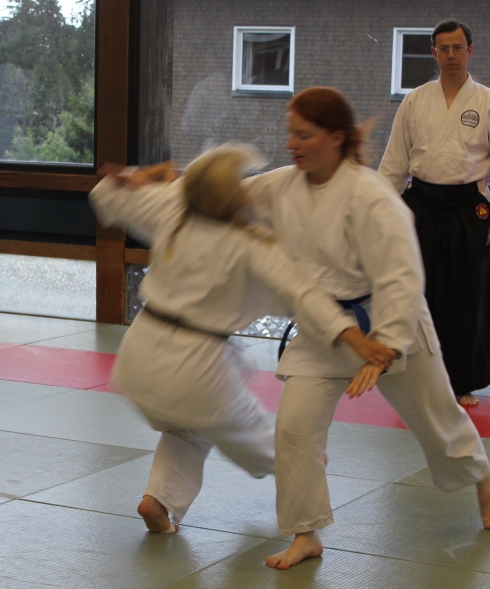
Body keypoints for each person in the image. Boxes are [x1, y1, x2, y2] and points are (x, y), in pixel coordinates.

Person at [244, 87, 490, 571]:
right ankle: (306, 533)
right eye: (291, 133)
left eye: (304, 135)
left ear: (335, 138)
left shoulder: (370, 195)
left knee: (438, 421)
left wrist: (382, 344)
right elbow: (226, 193)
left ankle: (482, 478)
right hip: (326, 327)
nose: (292, 143)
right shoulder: (283, 186)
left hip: (392, 320)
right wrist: (156, 186)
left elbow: (402, 275)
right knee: (295, 426)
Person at [89, 144, 394, 534]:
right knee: (269, 443)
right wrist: (356, 338)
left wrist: (145, 174)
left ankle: (158, 500)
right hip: (195, 369)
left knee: (186, 429)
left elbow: (104, 194)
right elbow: (305, 295)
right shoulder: (251, 244)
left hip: (138, 358)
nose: (247, 189)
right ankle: (306, 464)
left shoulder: (171, 209)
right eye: (240, 184)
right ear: (231, 197)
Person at [379, 19, 490, 406]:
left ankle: (461, 381)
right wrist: (380, 212)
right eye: (443, 49)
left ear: (470, 51)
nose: (451, 55)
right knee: (417, 293)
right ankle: (414, 377)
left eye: (457, 48)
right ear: (434, 54)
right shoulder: (415, 100)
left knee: (466, 296)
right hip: (421, 204)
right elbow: (395, 162)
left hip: (468, 207)